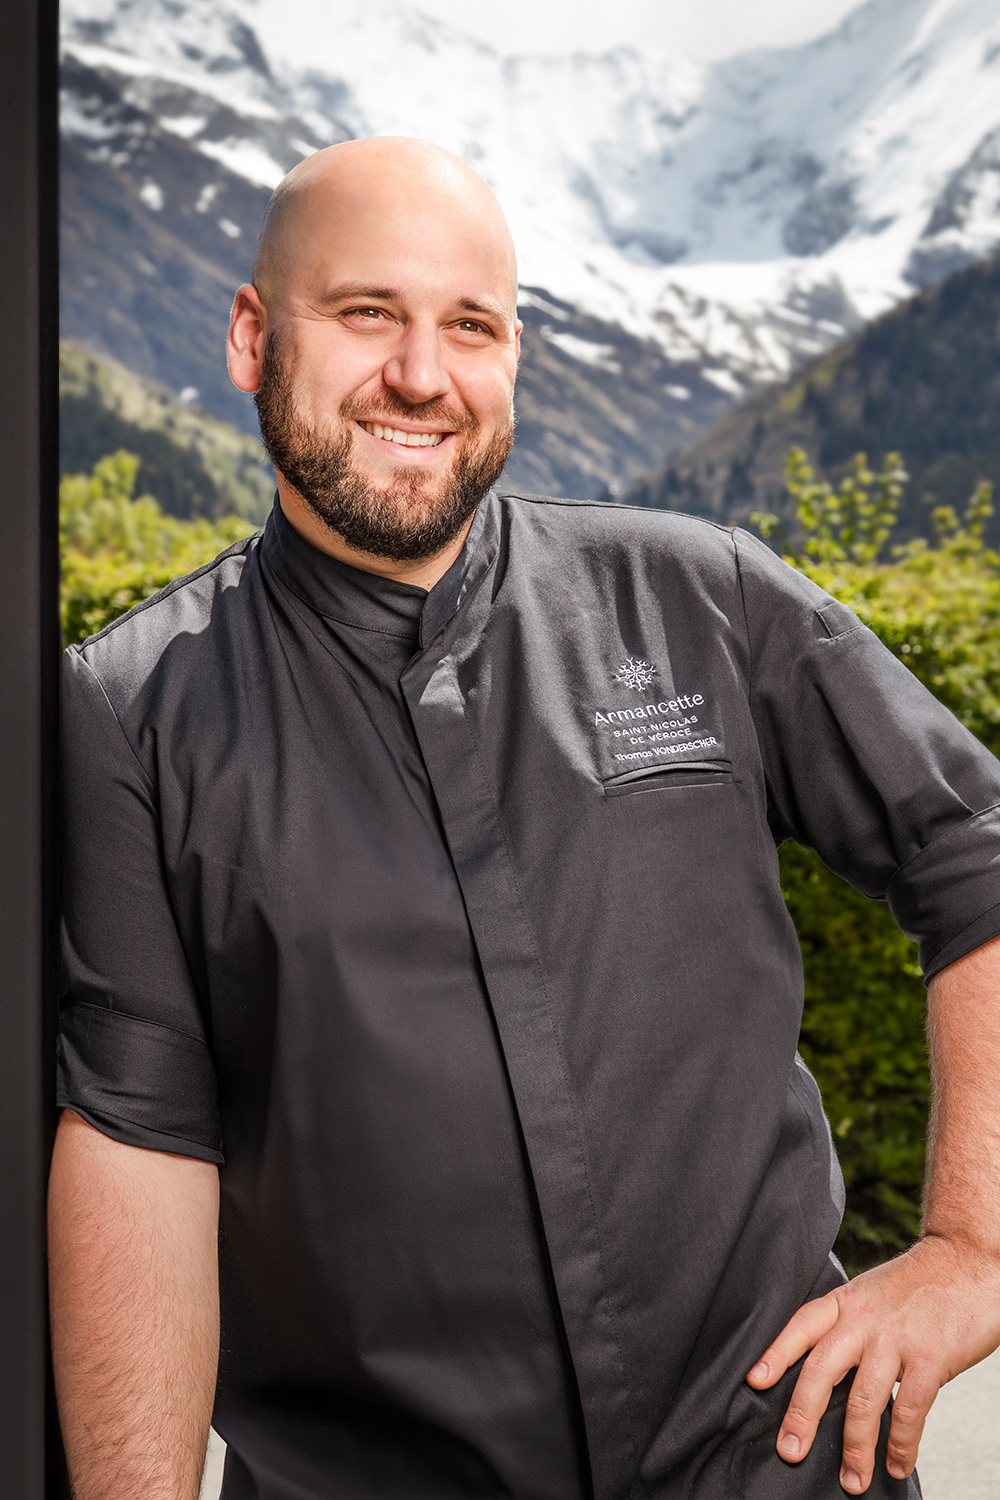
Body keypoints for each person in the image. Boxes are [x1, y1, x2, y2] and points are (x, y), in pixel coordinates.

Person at [49, 136, 1000, 1500]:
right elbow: (138, 1141)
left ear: (514, 356)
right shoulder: (129, 710)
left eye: (470, 326)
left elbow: (976, 855)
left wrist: (975, 1250)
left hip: (780, 1470)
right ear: (254, 337)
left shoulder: (703, 597)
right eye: (367, 312)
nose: (420, 374)